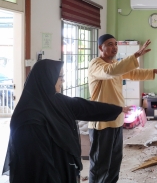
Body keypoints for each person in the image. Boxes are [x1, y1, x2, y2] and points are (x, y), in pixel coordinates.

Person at [2, 59, 132, 182]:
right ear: (47, 78)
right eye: (60, 76)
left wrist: (117, 109)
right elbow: (39, 164)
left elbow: (85, 107)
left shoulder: (56, 100)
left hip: (62, 169)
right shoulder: (29, 117)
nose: (63, 80)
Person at [88, 34, 157, 183]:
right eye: (110, 44)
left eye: (115, 44)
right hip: (102, 124)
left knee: (114, 162)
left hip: (116, 121)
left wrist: (153, 71)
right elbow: (109, 72)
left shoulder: (114, 65)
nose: (114, 47)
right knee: (100, 164)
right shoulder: (96, 65)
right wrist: (136, 55)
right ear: (101, 48)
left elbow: (132, 73)